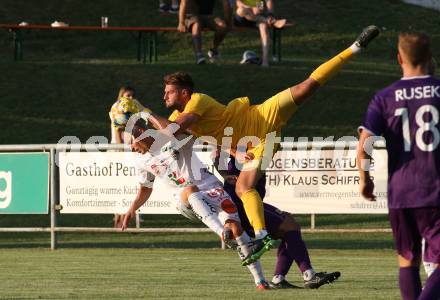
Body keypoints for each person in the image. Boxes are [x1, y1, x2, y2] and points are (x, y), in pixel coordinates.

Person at [146, 25, 380, 265]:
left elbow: (174, 129)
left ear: (184, 93)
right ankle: (261, 235)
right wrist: (135, 132)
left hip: (260, 115)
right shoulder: (175, 118)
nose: (165, 96)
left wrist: (145, 113)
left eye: (169, 92)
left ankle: (355, 47)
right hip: (258, 144)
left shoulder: (197, 100)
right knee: (243, 188)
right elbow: (175, 136)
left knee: (306, 86)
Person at [121, 118, 271, 290]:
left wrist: (233, 153)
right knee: (190, 189)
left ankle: (260, 281)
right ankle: (221, 232)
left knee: (236, 229)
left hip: (211, 187)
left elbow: (205, 135)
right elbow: (145, 188)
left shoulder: (172, 139)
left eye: (131, 142)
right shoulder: (140, 160)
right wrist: (132, 208)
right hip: (185, 198)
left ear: (141, 133)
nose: (131, 148)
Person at [357, 32, 440, 300]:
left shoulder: (384, 97)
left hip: (401, 192)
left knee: (407, 261)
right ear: (429, 58)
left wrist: (365, 179)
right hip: (436, 189)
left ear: (399, 58)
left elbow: (365, 143)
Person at [221, 156, 341, 289]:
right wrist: (226, 174)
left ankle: (280, 279)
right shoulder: (240, 143)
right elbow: (216, 153)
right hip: (242, 205)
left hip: (248, 203)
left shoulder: (254, 144)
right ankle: (308, 275)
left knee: (288, 228)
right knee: (289, 225)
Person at [109, 85, 151, 227]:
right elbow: (117, 128)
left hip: (133, 149)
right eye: (128, 95)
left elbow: (143, 121)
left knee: (137, 185)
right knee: (119, 186)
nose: (131, 98)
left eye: (132, 95)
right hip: (119, 151)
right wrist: (120, 149)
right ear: (121, 95)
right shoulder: (118, 107)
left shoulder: (135, 104)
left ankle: (135, 216)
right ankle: (118, 217)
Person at [234, 0, 286, 67]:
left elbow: (262, 6)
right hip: (242, 18)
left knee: (263, 26)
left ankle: (265, 61)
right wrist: (251, 6)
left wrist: (270, 14)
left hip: (256, 18)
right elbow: (238, 3)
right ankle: (271, 21)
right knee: (242, 10)